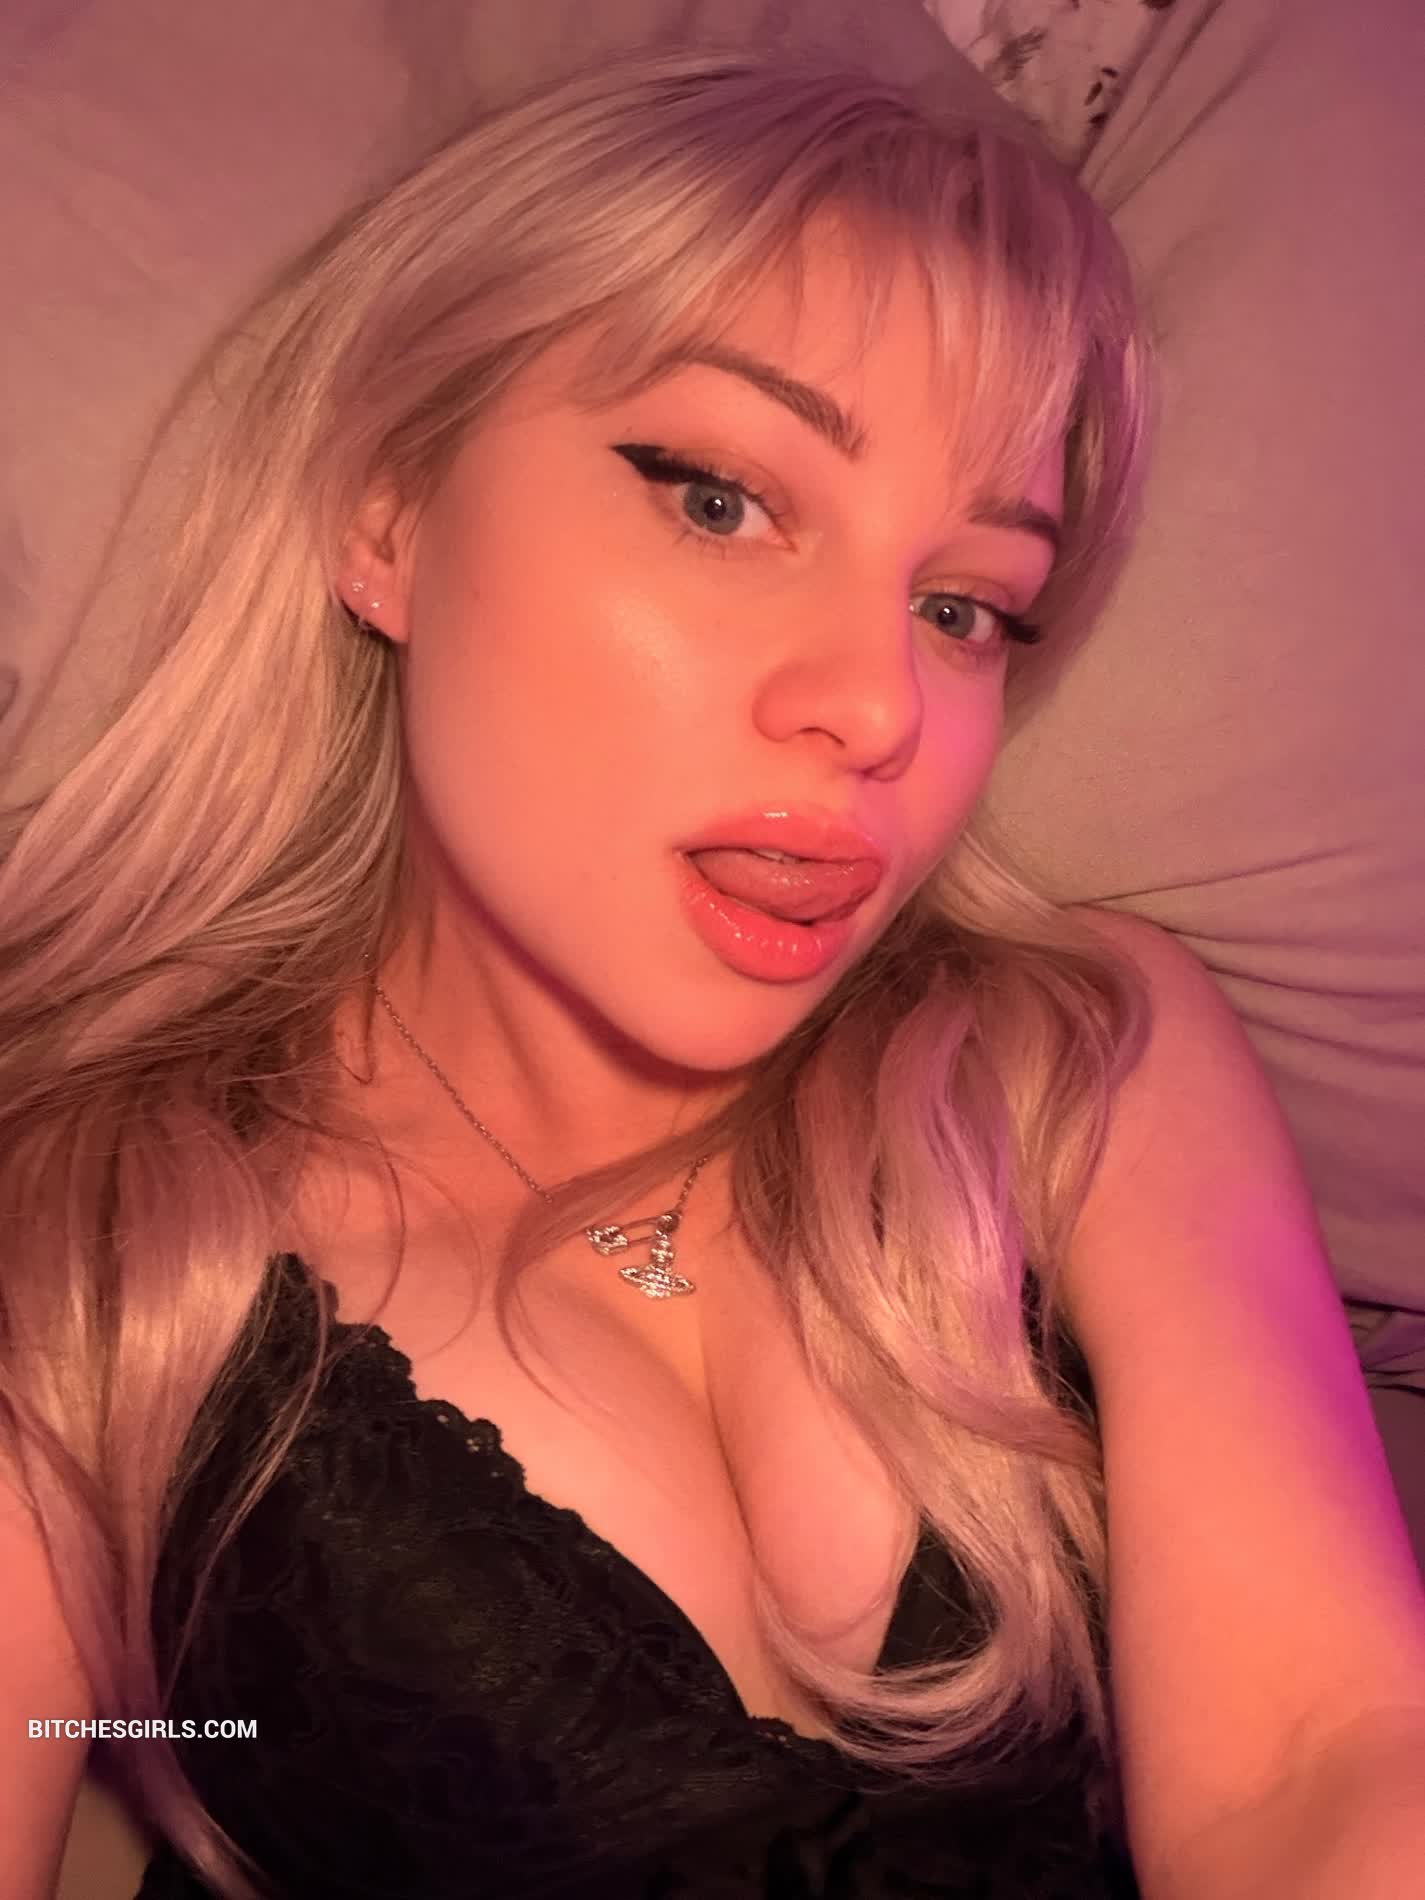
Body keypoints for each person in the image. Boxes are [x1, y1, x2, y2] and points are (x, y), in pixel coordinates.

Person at [3, 43, 1424, 1900]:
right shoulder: (90, 1257)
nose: (878, 706)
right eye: (721, 502)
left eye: (962, 606)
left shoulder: (1082, 1057)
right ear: (389, 513)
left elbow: (1322, 1762)